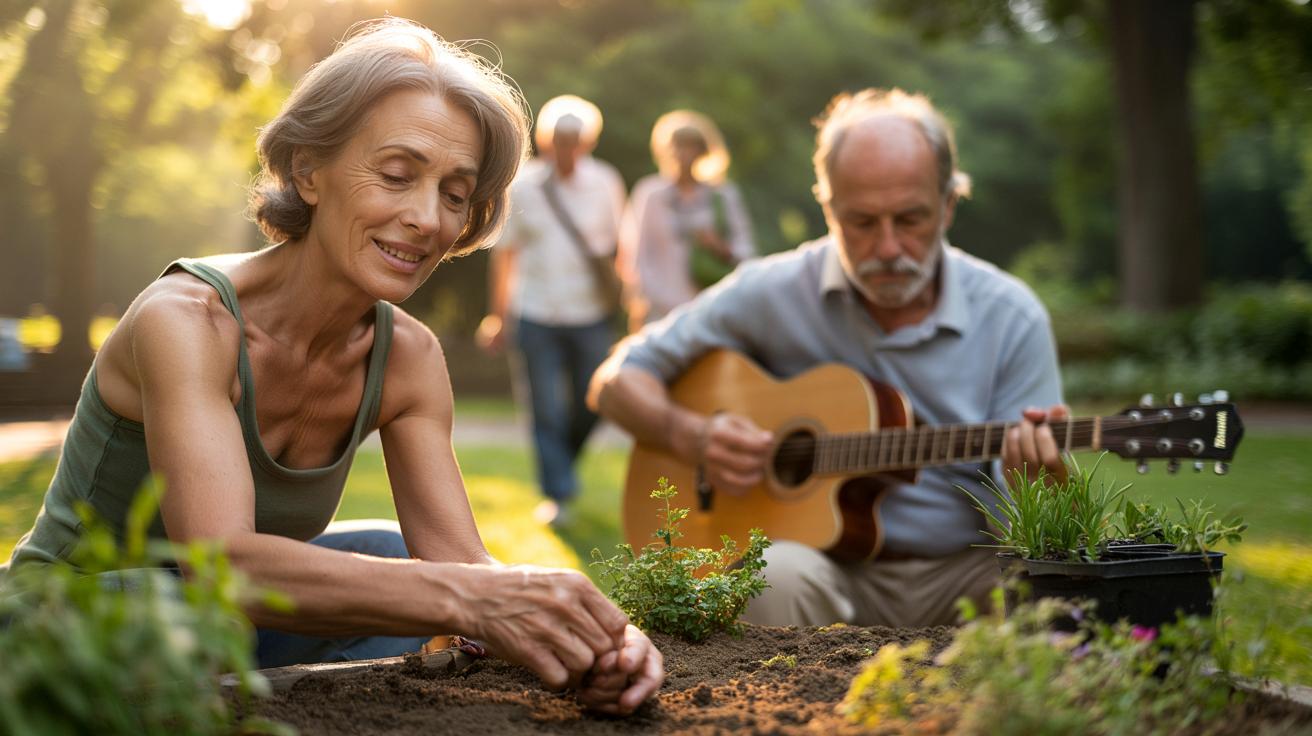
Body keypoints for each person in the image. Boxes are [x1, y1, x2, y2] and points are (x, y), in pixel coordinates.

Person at [0, 19, 660, 714]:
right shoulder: (187, 321)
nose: (426, 218)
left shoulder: (408, 358)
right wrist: (469, 600)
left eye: (455, 194)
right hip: (62, 624)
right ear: (308, 171)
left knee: (396, 553)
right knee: (387, 590)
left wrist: (602, 637)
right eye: (398, 175)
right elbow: (225, 566)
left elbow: (462, 567)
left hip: (218, 631)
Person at [589, 88, 1068, 629]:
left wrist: (1041, 480)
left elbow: (1043, 532)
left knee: (1053, 592)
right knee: (771, 574)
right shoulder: (771, 291)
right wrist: (691, 437)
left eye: (910, 220)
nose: (888, 248)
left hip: (965, 572)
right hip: (825, 574)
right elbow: (616, 379)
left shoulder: (1011, 316)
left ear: (949, 205)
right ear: (828, 207)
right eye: (861, 223)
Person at [475, 95, 626, 528]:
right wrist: (498, 316)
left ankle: (562, 472)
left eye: (575, 140)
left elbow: (620, 247)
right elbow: (504, 257)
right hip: (536, 312)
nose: (567, 148)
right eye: (559, 139)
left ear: (587, 142)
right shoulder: (523, 187)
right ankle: (558, 494)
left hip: (591, 313)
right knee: (546, 409)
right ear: (546, 141)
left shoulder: (606, 183)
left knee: (594, 401)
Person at [618, 110, 755, 328]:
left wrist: (719, 247)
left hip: (711, 307)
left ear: (703, 151)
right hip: (662, 310)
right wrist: (645, 297)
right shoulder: (651, 194)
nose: (683, 153)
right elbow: (637, 254)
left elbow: (746, 251)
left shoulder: (723, 196)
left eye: (690, 146)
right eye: (678, 145)